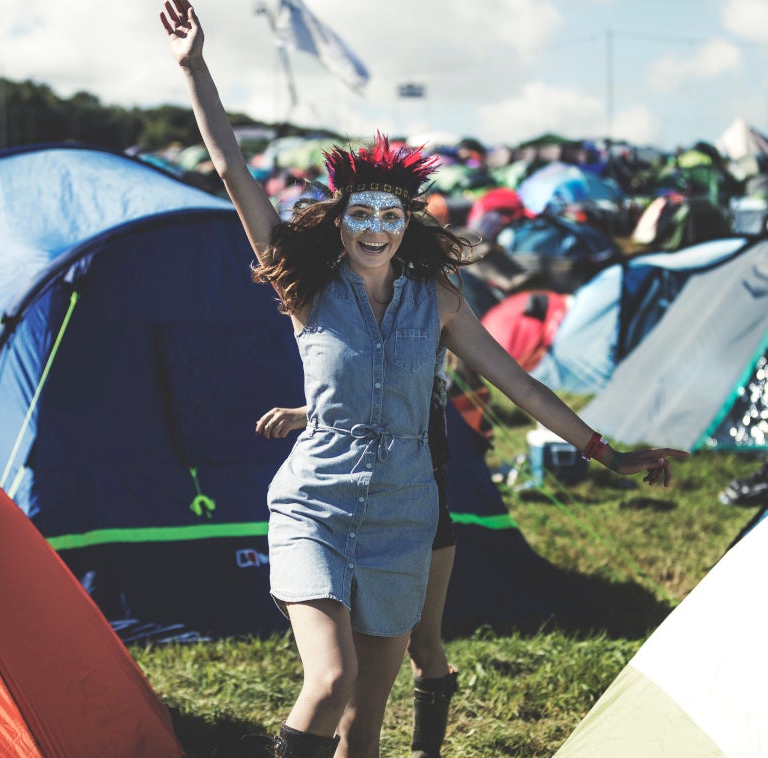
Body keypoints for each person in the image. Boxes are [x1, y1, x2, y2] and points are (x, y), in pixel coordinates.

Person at [159, 3, 687, 754]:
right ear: (339, 220)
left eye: (392, 214)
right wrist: (194, 69)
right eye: (361, 212)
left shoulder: (439, 302)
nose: (376, 227)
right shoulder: (306, 291)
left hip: (406, 516)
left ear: (409, 223)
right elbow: (234, 171)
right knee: (330, 678)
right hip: (317, 504)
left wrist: (607, 452)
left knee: (365, 730)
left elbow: (526, 390)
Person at [255, 345, 458, 757]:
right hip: (350, 506)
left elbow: (391, 392)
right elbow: (358, 390)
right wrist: (305, 413)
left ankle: (426, 751)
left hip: (420, 509)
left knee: (423, 644)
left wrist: (594, 446)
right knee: (336, 679)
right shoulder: (364, 304)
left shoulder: (432, 315)